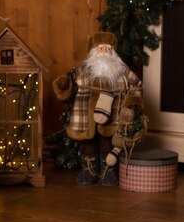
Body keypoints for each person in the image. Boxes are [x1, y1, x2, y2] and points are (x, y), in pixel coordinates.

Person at [53, 32, 143, 186]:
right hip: (85, 114)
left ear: (113, 51)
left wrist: (132, 100)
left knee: (108, 143)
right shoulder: (82, 68)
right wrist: (63, 83)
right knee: (87, 143)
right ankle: (89, 169)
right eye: (101, 48)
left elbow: (137, 84)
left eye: (108, 48)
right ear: (94, 50)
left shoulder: (122, 70)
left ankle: (108, 169)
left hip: (112, 114)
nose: (104, 51)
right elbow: (68, 79)